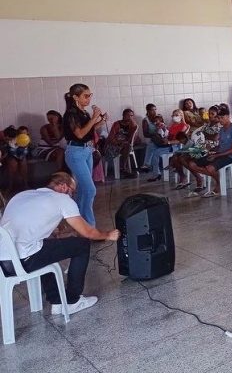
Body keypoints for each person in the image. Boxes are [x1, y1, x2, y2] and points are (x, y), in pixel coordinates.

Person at [0, 172, 120, 315]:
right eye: (72, 192)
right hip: (22, 261)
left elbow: (29, 226)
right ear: (63, 186)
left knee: (45, 249)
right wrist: (108, 235)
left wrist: (59, 231)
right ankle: (72, 301)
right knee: (82, 245)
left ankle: (57, 301)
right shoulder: (62, 199)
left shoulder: (23, 195)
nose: (72, 196)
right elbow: (88, 232)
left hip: (3, 262)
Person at [63, 83, 104, 226]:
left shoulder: (84, 112)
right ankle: (89, 225)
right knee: (90, 189)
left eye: (90, 95)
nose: (89, 99)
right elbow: (79, 134)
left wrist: (101, 121)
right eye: (85, 96)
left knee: (83, 189)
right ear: (76, 97)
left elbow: (89, 130)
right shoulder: (71, 114)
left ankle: (78, 221)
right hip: (75, 152)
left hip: (87, 150)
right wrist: (94, 118)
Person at [187, 104, 232, 198]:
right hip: (220, 154)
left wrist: (216, 155)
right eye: (219, 118)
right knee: (192, 164)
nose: (220, 120)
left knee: (210, 168)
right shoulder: (222, 129)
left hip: (230, 156)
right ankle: (218, 179)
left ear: (228, 116)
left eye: (222, 118)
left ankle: (218, 184)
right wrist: (212, 151)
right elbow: (220, 145)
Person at [103, 108, 138, 179]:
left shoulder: (132, 125)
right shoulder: (117, 124)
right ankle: (124, 169)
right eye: (128, 115)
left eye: (131, 116)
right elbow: (111, 138)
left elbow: (133, 139)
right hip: (113, 146)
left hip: (124, 146)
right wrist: (119, 142)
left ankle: (123, 168)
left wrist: (134, 127)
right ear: (123, 116)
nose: (130, 117)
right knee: (126, 145)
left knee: (128, 146)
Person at [138, 103, 159, 173]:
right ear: (148, 111)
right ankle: (148, 165)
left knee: (152, 145)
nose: (155, 111)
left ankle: (147, 165)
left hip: (159, 138)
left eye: (155, 109)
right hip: (149, 138)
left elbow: (163, 128)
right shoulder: (145, 120)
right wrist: (154, 135)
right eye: (152, 110)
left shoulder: (159, 118)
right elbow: (145, 134)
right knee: (151, 144)